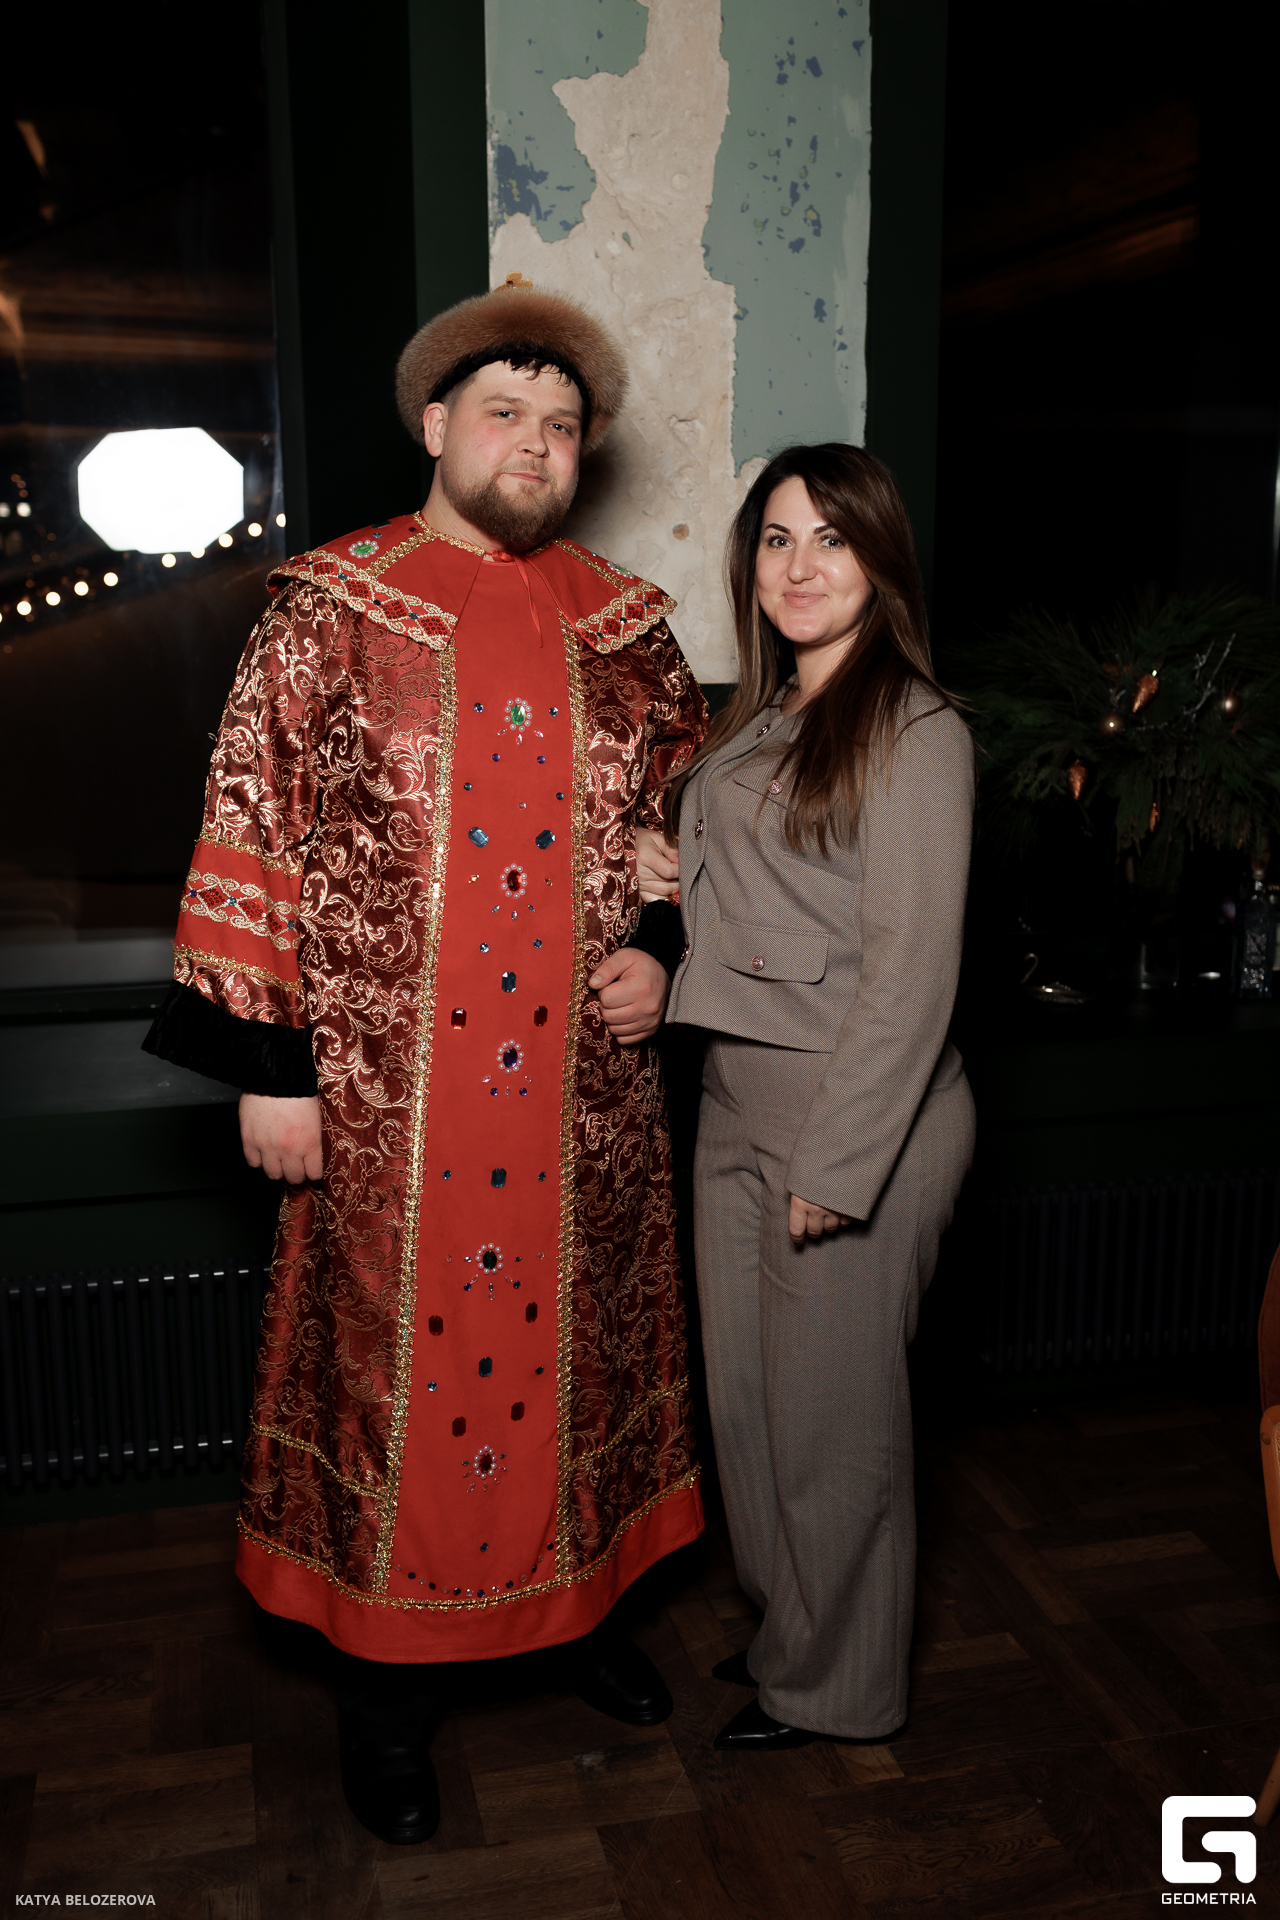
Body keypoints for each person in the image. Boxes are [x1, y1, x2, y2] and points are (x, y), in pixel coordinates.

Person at [144, 275, 706, 1840]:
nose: (536, 444)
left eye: (563, 426)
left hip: (584, 1107)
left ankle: (579, 1619)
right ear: (439, 424)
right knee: (399, 1386)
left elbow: (683, 833)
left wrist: (660, 953)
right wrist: (271, 1067)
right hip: (389, 1110)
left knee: (584, 1362)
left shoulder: (632, 633)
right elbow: (250, 825)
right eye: (506, 413)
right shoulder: (327, 611)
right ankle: (389, 1696)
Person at [660, 442, 976, 1750]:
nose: (799, 567)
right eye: (778, 540)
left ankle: (840, 1690)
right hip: (737, 1094)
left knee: (832, 1425)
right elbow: (779, 889)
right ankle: (793, 1629)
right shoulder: (770, 710)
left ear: (880, 558)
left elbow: (909, 977)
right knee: (748, 1408)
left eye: (831, 539)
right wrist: (673, 869)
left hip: (852, 1112)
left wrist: (840, 1167)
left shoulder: (918, 731)